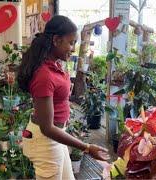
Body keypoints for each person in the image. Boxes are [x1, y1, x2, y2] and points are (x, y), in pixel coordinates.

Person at [18, 15, 110, 180]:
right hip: (45, 140)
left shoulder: (54, 65)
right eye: (71, 42)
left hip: (56, 136)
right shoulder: (44, 74)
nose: (73, 48)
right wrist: (87, 147)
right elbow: (47, 127)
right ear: (56, 40)